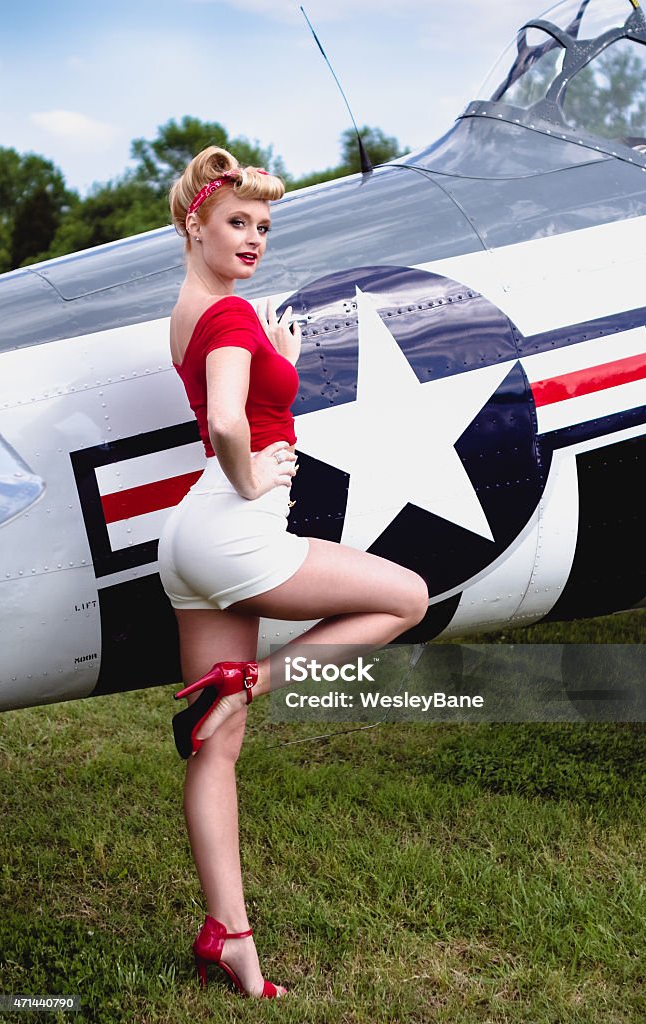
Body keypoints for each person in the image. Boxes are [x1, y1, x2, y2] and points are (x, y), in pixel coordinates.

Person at [158, 146, 429, 999]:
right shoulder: (231, 319)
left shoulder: (194, 311)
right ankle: (255, 677)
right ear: (193, 223)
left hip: (187, 546)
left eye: (264, 227)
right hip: (235, 531)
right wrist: (249, 470)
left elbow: (229, 398)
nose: (253, 240)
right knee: (405, 597)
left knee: (215, 743)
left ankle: (230, 937)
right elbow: (231, 422)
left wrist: (277, 361)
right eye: (236, 222)